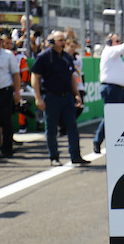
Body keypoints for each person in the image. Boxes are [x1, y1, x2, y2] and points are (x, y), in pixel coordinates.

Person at [30, 30, 89, 166]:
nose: (63, 43)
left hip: (67, 97)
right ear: (52, 42)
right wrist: (38, 98)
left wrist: (77, 95)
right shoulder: (44, 57)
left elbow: (72, 77)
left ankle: (76, 156)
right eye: (60, 40)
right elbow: (35, 77)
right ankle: (54, 157)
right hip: (51, 97)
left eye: (64, 40)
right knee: (51, 128)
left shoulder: (67, 57)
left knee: (72, 126)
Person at [92, 28, 124, 153]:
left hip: (117, 89)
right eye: (117, 41)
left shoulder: (115, 54)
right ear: (109, 42)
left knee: (116, 117)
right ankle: (97, 141)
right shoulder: (110, 51)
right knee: (110, 117)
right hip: (111, 88)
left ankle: (113, 141)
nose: (119, 43)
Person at [0, 31, 21, 158]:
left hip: (4, 91)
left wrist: (17, 92)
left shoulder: (8, 55)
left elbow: (16, 75)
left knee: (5, 121)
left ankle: (7, 148)